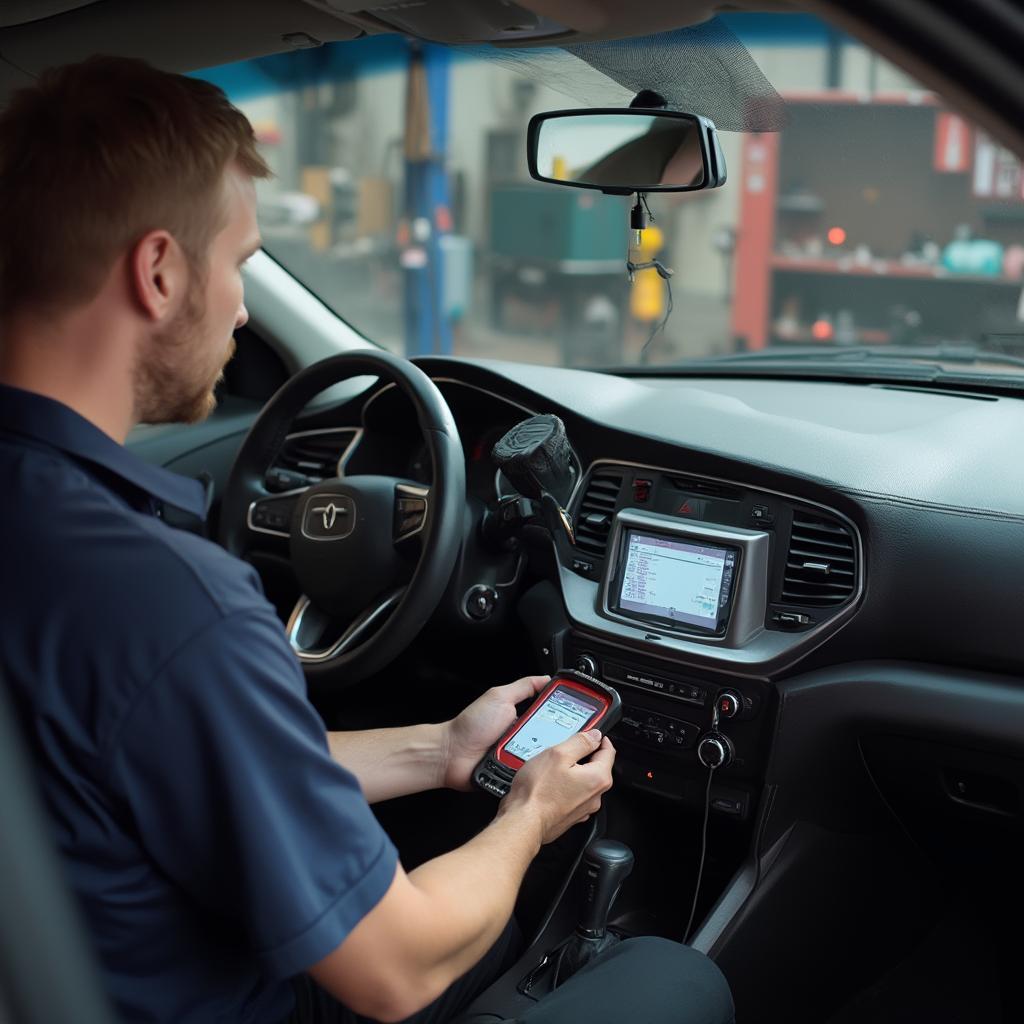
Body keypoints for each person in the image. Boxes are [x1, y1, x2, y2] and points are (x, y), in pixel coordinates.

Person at [0, 57, 734, 1024]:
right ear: (161, 270)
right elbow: (399, 968)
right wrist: (531, 815)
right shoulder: (172, 606)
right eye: (241, 264)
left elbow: (195, 761)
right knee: (678, 982)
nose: (237, 305)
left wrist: (441, 750)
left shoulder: (54, 543)